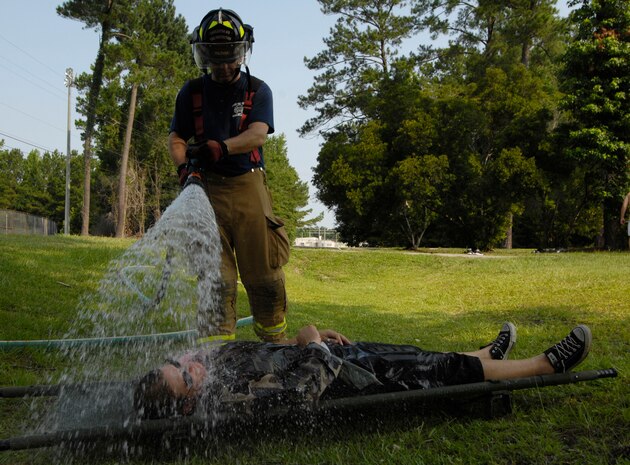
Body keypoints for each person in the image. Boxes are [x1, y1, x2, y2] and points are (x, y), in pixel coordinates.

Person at [134, 322, 592, 419]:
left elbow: (272, 354)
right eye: (186, 375)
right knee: (435, 371)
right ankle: (546, 365)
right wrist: (313, 346)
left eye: (178, 362)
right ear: (191, 399)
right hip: (350, 383)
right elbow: (299, 394)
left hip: (337, 358)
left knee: (415, 351)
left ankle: (484, 355)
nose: (191, 363)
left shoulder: (216, 367)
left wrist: (305, 338)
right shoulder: (230, 401)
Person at [168, 8, 290, 344]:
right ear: (203, 55)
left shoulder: (257, 91)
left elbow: (257, 135)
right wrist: (184, 170)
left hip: (248, 185)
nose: (223, 67)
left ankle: (275, 350)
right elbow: (176, 138)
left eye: (230, 58)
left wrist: (221, 147)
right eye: (215, 59)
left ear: (242, 52)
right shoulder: (191, 93)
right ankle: (216, 360)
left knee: (264, 275)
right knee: (215, 280)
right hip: (207, 191)